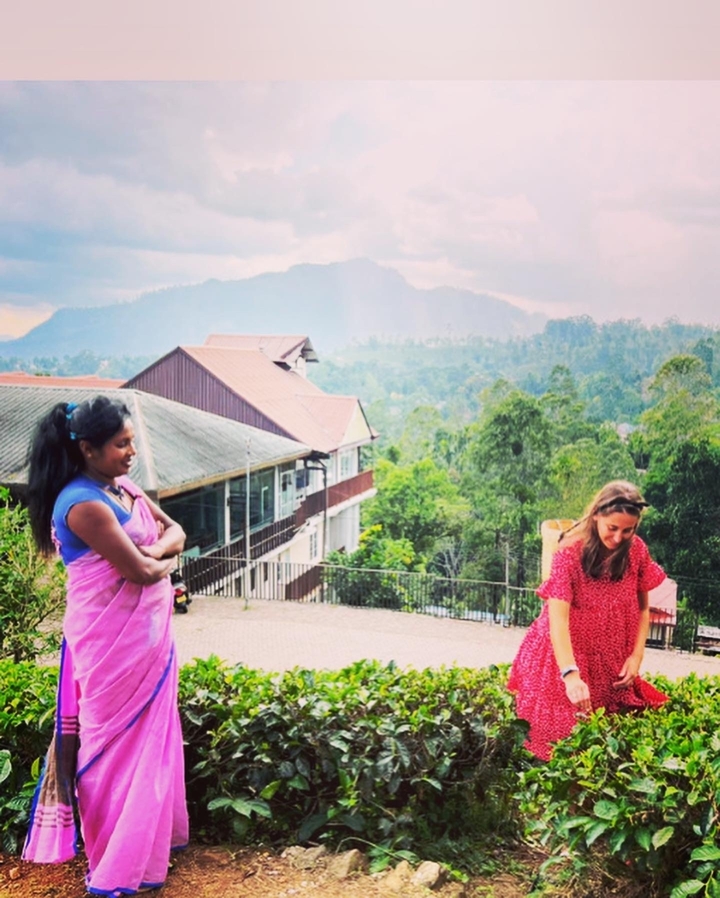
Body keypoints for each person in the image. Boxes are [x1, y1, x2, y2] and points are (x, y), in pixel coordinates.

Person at [22, 396, 189, 896]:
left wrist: (158, 551)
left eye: (132, 441)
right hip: (109, 648)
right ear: (88, 449)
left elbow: (175, 531)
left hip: (149, 642)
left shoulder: (122, 487)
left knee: (150, 743)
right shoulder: (84, 504)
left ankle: (145, 851)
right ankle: (115, 861)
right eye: (121, 444)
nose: (131, 451)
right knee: (111, 748)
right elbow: (137, 574)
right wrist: (163, 564)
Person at [508, 480, 669, 761]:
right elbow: (558, 619)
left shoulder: (637, 550)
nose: (619, 537)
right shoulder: (569, 553)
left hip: (609, 660)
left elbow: (644, 608)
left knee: (599, 753)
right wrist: (570, 675)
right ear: (596, 515)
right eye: (612, 528)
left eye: (627, 530)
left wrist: (636, 656)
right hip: (562, 659)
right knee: (558, 751)